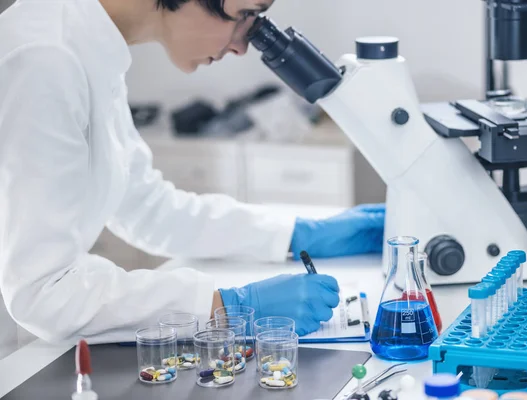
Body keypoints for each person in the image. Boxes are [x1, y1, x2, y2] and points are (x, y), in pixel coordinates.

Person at [0, 0, 385, 358]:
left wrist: (297, 233)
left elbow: (145, 207)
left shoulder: (93, 46)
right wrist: (225, 306)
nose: (241, 46)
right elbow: (43, 293)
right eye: (245, 14)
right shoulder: (46, 57)